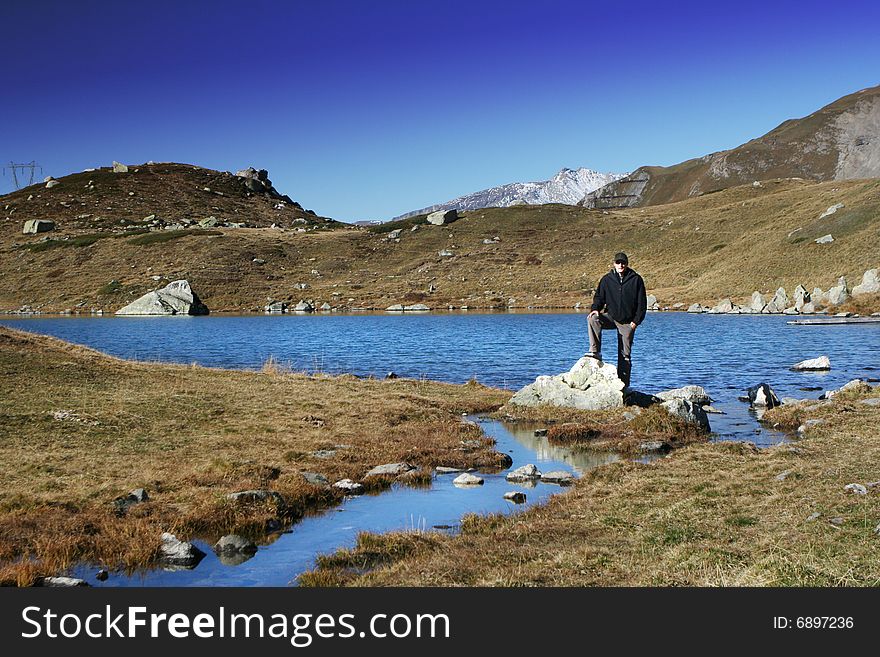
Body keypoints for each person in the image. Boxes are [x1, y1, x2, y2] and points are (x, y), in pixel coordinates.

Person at [587, 252, 647, 386]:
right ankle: (595, 352)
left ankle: (624, 386)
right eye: (618, 262)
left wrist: (635, 323)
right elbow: (599, 298)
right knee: (592, 319)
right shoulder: (607, 279)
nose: (621, 265)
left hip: (627, 322)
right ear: (614, 264)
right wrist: (595, 309)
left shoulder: (636, 279)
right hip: (611, 317)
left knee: (625, 356)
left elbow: (642, 304)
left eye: (623, 262)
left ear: (627, 264)